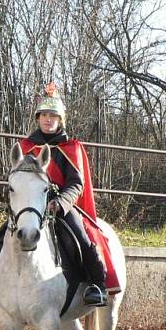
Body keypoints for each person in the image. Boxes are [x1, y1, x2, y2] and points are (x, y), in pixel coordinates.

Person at [19, 83, 122, 306]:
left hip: (60, 207)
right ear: (38, 118)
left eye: (53, 116)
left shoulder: (71, 148)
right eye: (44, 115)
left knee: (81, 238)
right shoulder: (26, 147)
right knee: (2, 238)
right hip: (30, 206)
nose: (48, 119)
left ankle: (97, 285)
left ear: (60, 120)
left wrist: (60, 203)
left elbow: (76, 184)